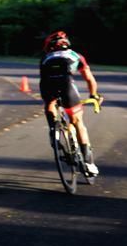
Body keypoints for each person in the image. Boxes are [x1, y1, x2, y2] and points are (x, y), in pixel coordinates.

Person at [39, 31, 102, 176]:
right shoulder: (76, 56)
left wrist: (50, 102)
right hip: (67, 86)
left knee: (50, 104)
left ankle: (53, 131)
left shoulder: (45, 58)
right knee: (77, 121)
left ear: (49, 47)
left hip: (48, 87)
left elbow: (43, 81)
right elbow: (89, 79)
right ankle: (88, 163)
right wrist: (94, 95)